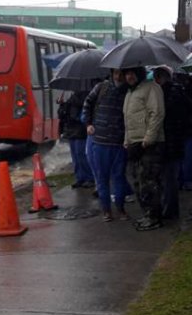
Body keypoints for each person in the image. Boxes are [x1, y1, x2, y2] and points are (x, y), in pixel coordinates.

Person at [122, 67, 166, 230]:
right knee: (137, 181)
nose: (129, 76)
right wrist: (126, 140)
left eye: (132, 73)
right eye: (126, 73)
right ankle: (148, 214)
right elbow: (128, 119)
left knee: (148, 182)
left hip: (150, 144)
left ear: (140, 73)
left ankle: (154, 217)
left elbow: (157, 113)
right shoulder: (130, 92)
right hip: (135, 144)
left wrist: (149, 138)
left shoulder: (151, 88)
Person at [83, 70, 130, 222]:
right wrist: (88, 123)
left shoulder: (129, 91)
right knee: (102, 178)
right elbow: (88, 104)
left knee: (119, 178)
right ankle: (106, 210)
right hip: (100, 142)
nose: (118, 76)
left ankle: (120, 208)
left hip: (119, 142)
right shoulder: (101, 87)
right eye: (116, 73)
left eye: (120, 73)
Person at [153, 67, 192, 219]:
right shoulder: (180, 90)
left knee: (167, 178)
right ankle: (171, 209)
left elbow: (159, 115)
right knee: (171, 177)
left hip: (165, 141)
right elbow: (191, 109)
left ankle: (169, 211)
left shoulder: (163, 94)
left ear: (158, 79)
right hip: (177, 140)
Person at [58, 90, 93, 189]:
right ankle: (80, 178)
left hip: (80, 131)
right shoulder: (70, 97)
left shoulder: (83, 95)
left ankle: (89, 178)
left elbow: (80, 114)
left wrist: (70, 103)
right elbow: (62, 115)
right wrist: (62, 104)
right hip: (71, 131)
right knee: (75, 157)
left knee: (81, 155)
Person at [176, 74, 192, 191]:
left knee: (187, 157)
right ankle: (181, 180)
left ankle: (187, 181)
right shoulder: (176, 89)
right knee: (181, 157)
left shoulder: (190, 90)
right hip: (181, 128)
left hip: (188, 128)